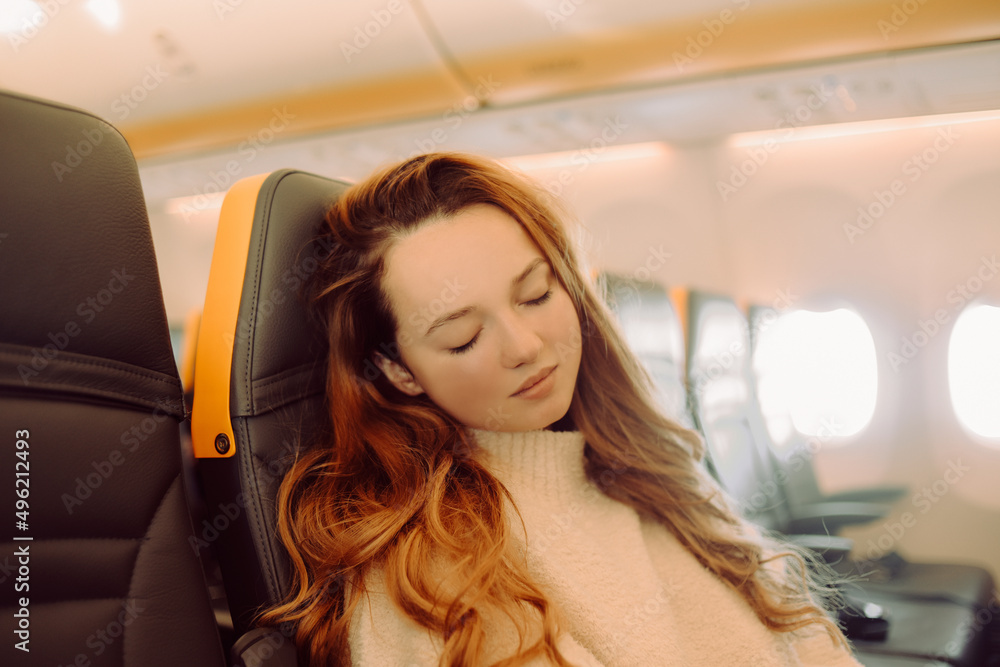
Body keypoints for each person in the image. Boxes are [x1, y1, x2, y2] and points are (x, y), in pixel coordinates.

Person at [258, 152, 862, 666]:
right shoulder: (426, 570)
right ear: (397, 370)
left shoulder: (645, 465)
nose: (525, 347)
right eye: (463, 337)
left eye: (536, 294)